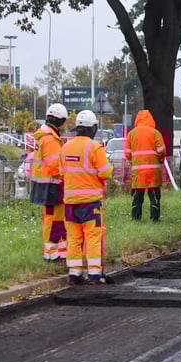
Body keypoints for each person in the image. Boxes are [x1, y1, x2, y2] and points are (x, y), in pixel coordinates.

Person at [59, 110, 113, 285]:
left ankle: (75, 274)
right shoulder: (95, 147)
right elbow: (104, 173)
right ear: (93, 128)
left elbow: (61, 173)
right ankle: (94, 275)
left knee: (74, 239)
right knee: (92, 238)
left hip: (70, 204)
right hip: (90, 203)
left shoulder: (65, 147)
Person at [30, 103, 68, 263]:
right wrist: (67, 178)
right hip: (53, 184)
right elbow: (55, 166)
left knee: (50, 219)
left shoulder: (43, 135)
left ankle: (56, 252)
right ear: (61, 121)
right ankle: (52, 254)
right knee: (55, 220)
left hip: (44, 184)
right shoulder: (51, 139)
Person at [124, 110, 167, 222]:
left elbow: (127, 154)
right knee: (154, 197)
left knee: (138, 197)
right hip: (153, 172)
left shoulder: (131, 134)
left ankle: (136, 219)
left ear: (137, 120)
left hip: (138, 173)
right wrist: (161, 160)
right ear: (151, 120)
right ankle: (154, 219)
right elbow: (161, 151)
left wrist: (134, 161)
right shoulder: (155, 133)